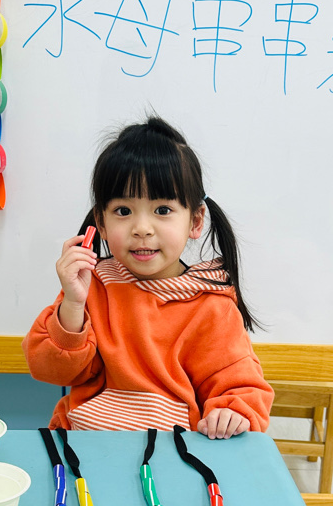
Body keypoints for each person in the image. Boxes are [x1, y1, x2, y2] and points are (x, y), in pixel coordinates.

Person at [23, 116, 274, 438]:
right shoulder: (93, 286)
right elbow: (51, 370)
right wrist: (72, 303)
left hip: (172, 450)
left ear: (195, 221)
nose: (142, 228)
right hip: (85, 442)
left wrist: (231, 412)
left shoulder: (211, 305)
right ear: (101, 222)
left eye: (163, 210)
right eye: (123, 211)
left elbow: (240, 386)